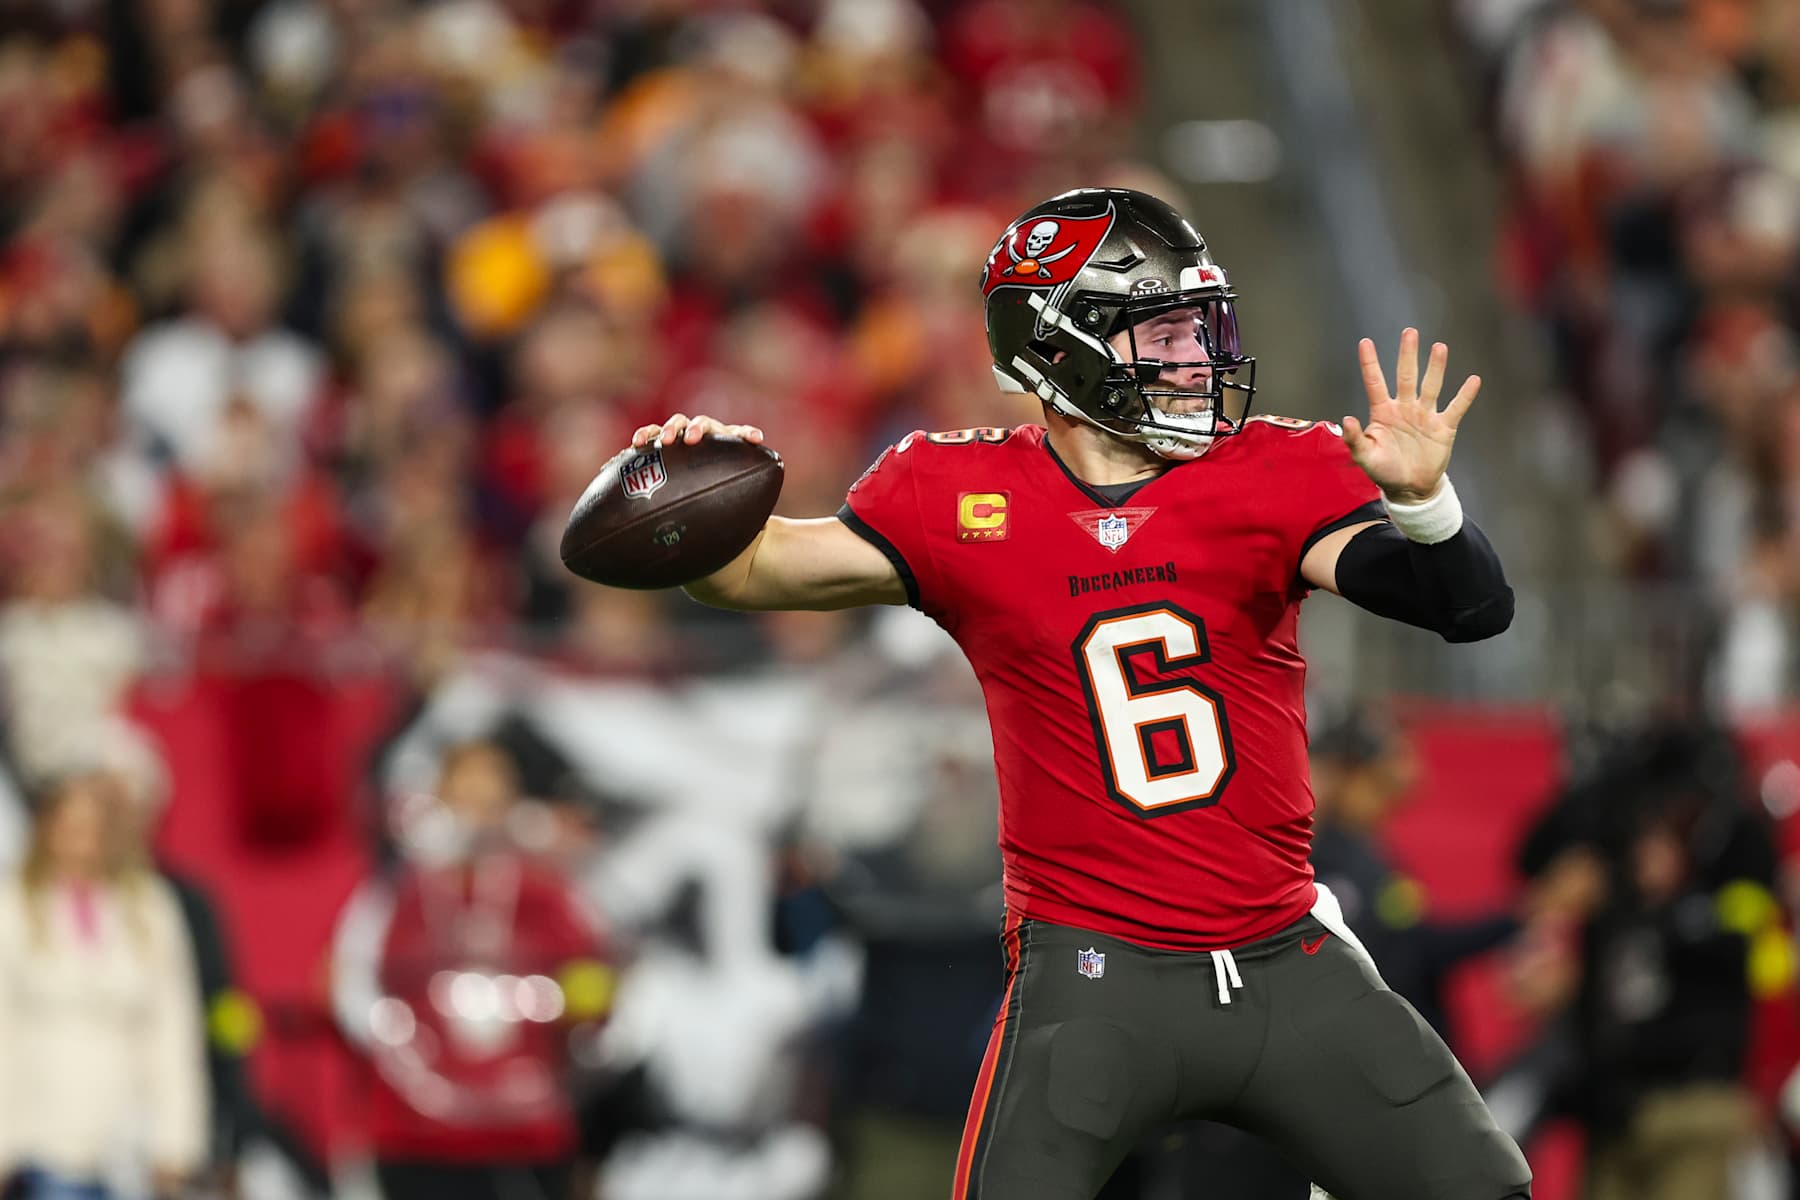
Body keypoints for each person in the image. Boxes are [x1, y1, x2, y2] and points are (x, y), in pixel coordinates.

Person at [622, 188, 1530, 1200]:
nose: (1196, 361)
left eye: (1199, 331)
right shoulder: (955, 496)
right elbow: (752, 572)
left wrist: (1425, 504)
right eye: (1163, 333)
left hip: (1285, 957)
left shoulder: (1270, 470)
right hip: (1096, 977)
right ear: (1059, 351)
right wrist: (684, 502)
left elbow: (1469, 607)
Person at [0, 770, 209, 1200]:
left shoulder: (150, 907)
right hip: (42, 1137)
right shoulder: (14, 906)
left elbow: (171, 1027)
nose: (82, 844)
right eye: (71, 828)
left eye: (94, 829)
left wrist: (177, 1139)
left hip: (128, 1138)